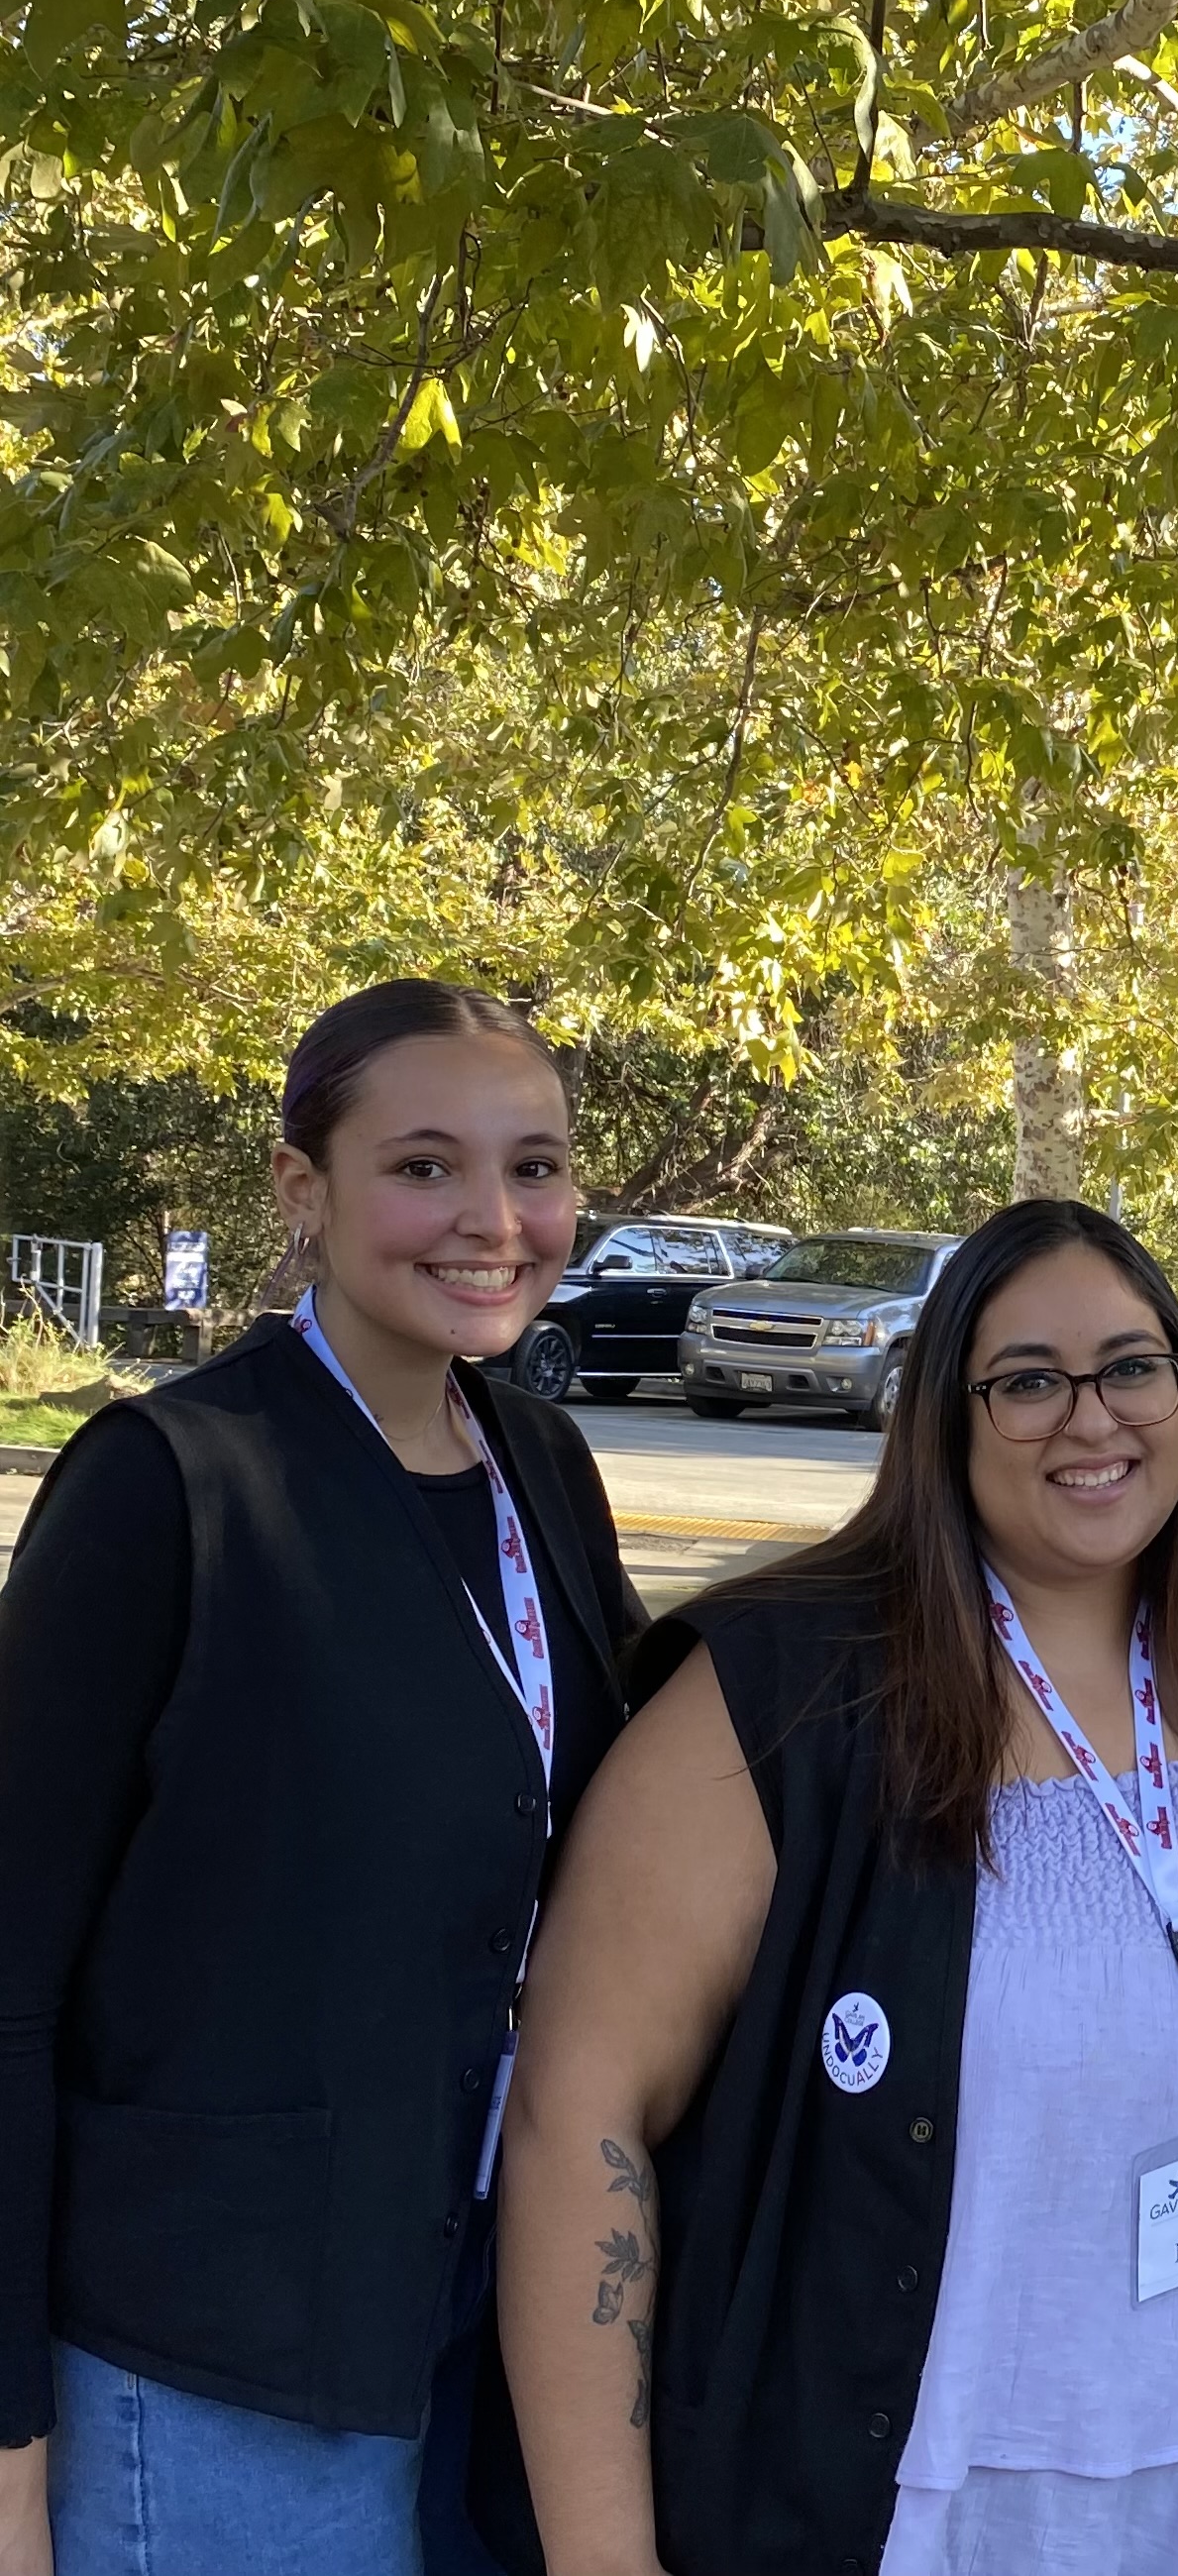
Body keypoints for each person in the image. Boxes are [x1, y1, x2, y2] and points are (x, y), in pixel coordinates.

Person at [497, 1197, 1178, 2576]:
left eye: (1132, 1365)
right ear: (945, 1416)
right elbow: (579, 2119)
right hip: (893, 2518)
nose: (1091, 1418)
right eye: (1028, 1380)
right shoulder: (787, 1695)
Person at [0, 978, 644, 2576]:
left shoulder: (541, 1468)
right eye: (424, 1166)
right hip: (222, 2362)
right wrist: (9, 2467)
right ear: (304, 1188)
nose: (493, 1217)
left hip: (484, 2312)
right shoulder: (169, 1487)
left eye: (536, 1165)